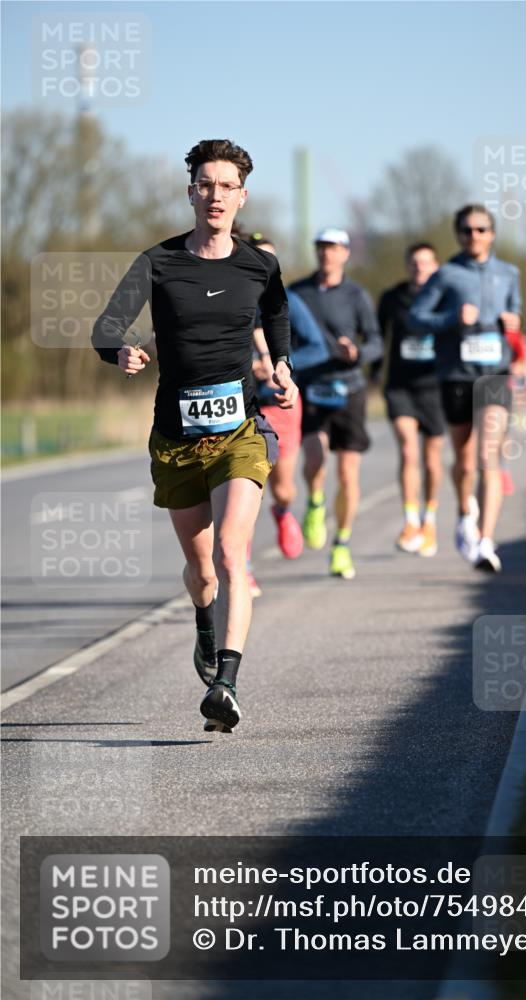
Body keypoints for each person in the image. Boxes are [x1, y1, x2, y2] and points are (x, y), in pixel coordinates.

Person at [92, 138, 298, 733]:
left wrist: (280, 365)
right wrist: (120, 351)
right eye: (205, 184)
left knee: (234, 553)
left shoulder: (259, 265)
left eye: (226, 185)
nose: (215, 195)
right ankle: (205, 624)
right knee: (203, 568)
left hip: (239, 430)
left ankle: (226, 684)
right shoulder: (158, 262)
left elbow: (277, 313)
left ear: (241, 196)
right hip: (177, 437)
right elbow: (107, 324)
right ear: (191, 192)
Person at [410, 204, 523, 573]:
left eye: (481, 229)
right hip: (456, 375)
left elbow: (516, 313)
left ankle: (486, 541)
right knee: (464, 461)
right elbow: (416, 319)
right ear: (458, 235)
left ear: (492, 233)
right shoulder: (446, 275)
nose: (474, 235)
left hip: (495, 373)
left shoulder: (509, 273)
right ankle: (463, 513)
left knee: (489, 455)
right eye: (467, 230)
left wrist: (514, 322)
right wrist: (450, 319)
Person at [290, 228, 383, 580]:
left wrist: (358, 353)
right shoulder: (297, 293)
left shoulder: (357, 295)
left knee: (347, 474)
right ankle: (315, 501)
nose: (327, 254)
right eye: (321, 248)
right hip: (313, 387)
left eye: (333, 248)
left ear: (345, 253)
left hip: (349, 389)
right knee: (314, 459)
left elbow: (376, 342)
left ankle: (341, 544)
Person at [243, 232, 330, 593]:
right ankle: (242, 568)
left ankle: (282, 512)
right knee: (243, 490)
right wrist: (251, 364)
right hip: (243, 405)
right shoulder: (233, 297)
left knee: (283, 489)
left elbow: (318, 348)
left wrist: (282, 366)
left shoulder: (289, 299)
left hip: (281, 403)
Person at [377, 242, 444, 556]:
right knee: (407, 447)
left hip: (436, 387)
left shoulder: (446, 297)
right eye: (415, 263)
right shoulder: (392, 298)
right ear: (407, 265)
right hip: (400, 386)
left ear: (436, 267)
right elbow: (380, 337)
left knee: (432, 460)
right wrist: (374, 372)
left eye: (426, 263)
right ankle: (409, 520)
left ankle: (429, 521)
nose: (420, 268)